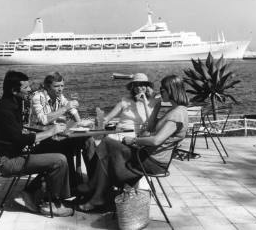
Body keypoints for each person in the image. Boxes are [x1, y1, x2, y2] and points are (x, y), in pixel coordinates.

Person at [77, 75, 189, 212]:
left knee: (106, 145)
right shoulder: (176, 111)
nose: (160, 92)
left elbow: (156, 140)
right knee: (106, 152)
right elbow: (152, 128)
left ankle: (94, 187)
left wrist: (134, 140)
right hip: (149, 155)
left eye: (163, 89)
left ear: (171, 90)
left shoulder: (177, 113)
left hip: (152, 161)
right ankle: (97, 193)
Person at [0, 70, 73, 216]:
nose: (30, 90)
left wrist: (41, 135)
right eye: (26, 88)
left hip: (16, 153)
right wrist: (50, 132)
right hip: (8, 162)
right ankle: (52, 204)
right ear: (14, 91)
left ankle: (31, 192)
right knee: (60, 160)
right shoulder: (5, 109)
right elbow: (19, 140)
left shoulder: (13, 103)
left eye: (29, 86)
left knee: (60, 146)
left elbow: (16, 136)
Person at [30, 72, 96, 186]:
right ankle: (72, 184)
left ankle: (94, 182)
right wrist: (65, 108)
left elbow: (72, 109)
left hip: (58, 135)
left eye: (62, 86)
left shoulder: (59, 96)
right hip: (44, 140)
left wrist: (80, 122)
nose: (60, 89)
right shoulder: (38, 97)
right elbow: (43, 120)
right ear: (47, 86)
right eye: (56, 86)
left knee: (88, 140)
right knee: (66, 147)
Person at [103, 73, 160, 140]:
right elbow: (107, 119)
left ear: (147, 87)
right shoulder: (124, 101)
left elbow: (151, 122)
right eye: (136, 85)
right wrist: (98, 123)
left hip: (136, 137)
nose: (139, 88)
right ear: (132, 88)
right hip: (119, 133)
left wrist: (144, 101)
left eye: (142, 85)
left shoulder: (152, 102)